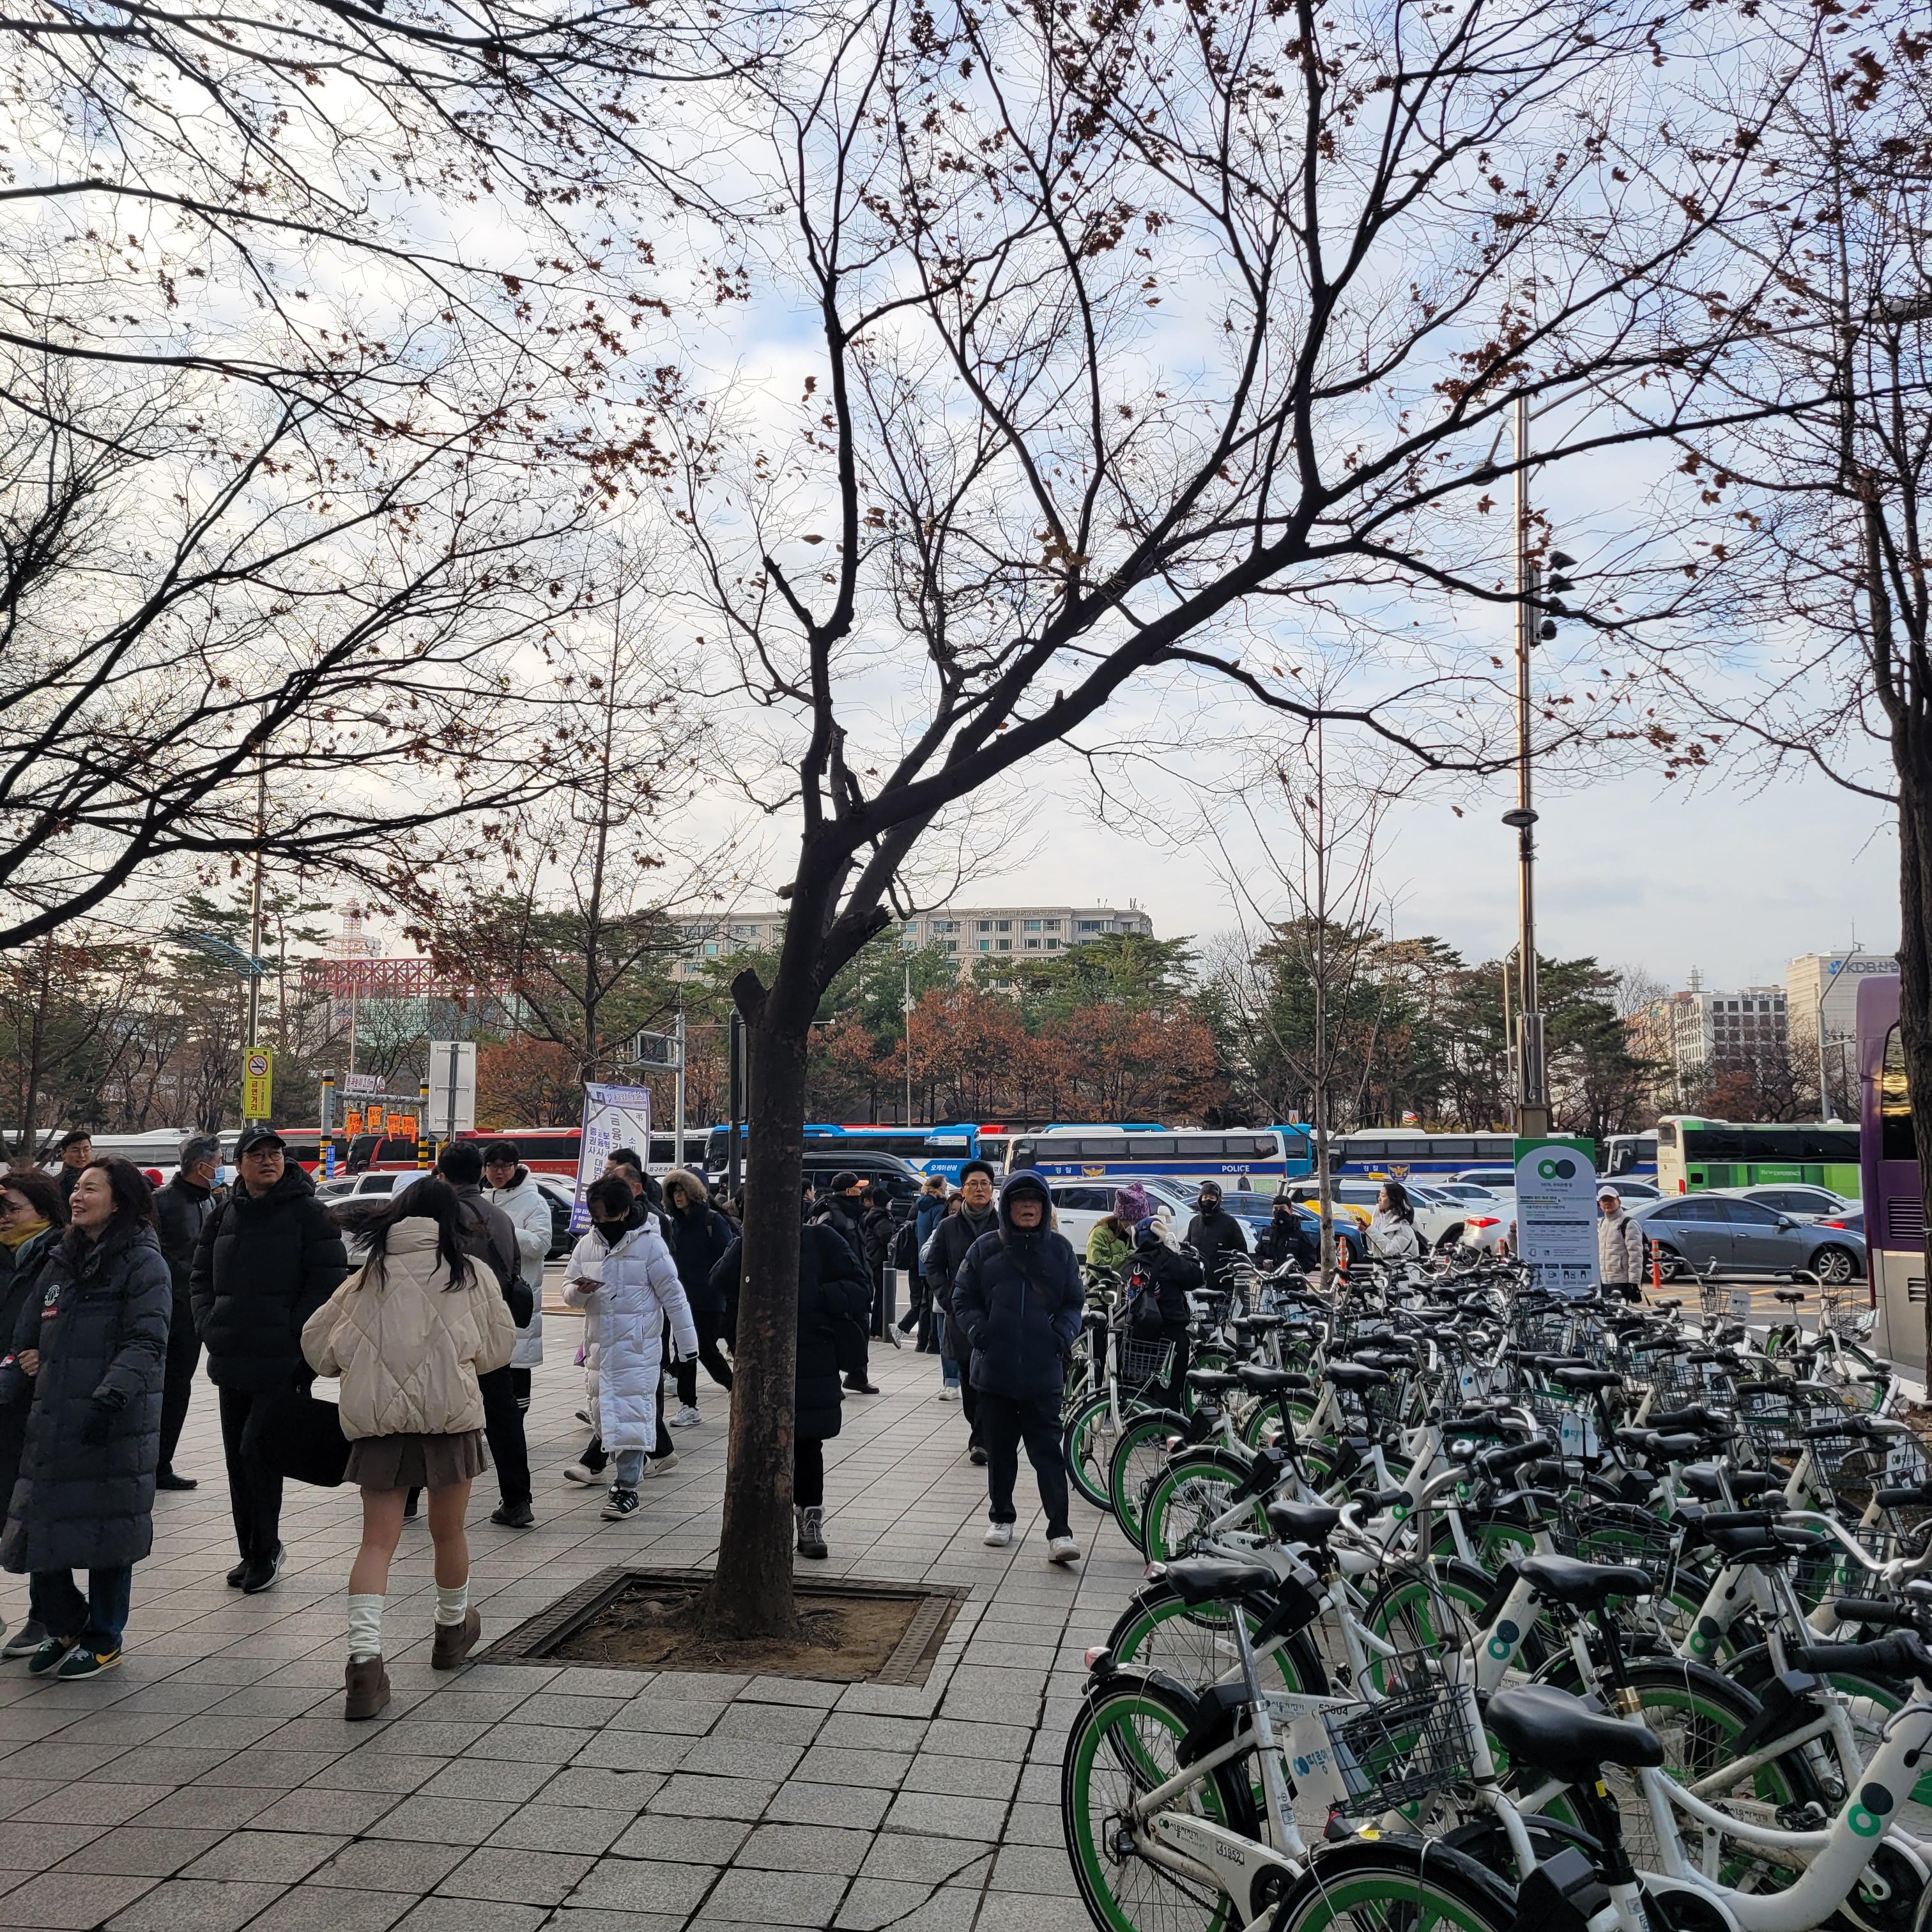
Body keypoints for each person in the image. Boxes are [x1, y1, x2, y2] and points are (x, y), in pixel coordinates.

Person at [302, 1178, 516, 1719]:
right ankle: (451, 1630)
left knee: (376, 1544)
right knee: (450, 1530)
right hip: (449, 1419)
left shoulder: (365, 1277)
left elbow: (317, 1349)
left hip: (379, 1425)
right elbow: (497, 1351)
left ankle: (364, 1664)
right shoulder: (471, 1274)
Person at [0, 1158, 170, 1678]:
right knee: (39, 1525)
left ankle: (103, 1637)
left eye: (91, 1189)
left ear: (119, 1201)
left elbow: (146, 1340)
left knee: (107, 1533)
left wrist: (110, 1398)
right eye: (76, 1188)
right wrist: (18, 1373)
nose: (77, 1196)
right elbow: (26, 1335)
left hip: (112, 1419)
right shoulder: (61, 1258)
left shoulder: (142, 1262)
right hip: (52, 1416)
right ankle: (67, 1623)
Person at [189, 1125, 349, 1593]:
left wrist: (295, 1337)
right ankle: (251, 1551)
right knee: (237, 1460)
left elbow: (328, 1284)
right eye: (256, 1154)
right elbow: (200, 1277)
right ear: (238, 1164)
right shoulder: (223, 1213)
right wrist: (209, 1325)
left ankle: (266, 1550)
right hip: (232, 1356)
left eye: (274, 1153)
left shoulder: (310, 1214)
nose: (267, 1161)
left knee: (258, 1451)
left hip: (283, 1360)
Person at [709, 1216, 870, 1560]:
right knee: (758, 1443)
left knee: (807, 1442)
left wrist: (813, 1294)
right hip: (759, 1356)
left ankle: (810, 1519)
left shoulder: (822, 1239)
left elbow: (861, 1287)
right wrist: (747, 1240)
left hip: (813, 1354)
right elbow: (720, 1280)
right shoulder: (749, 1242)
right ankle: (761, 1524)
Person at [949, 1170, 1085, 1565]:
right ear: (1007, 1206)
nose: (1028, 1206)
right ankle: (1001, 1517)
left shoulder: (1060, 1250)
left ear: (1044, 1207)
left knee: (1049, 1455)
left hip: (1043, 1373)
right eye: (1020, 1200)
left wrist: (1060, 1336)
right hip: (995, 1371)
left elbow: (1074, 1302)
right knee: (1000, 1452)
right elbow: (962, 1297)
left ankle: (1060, 1531)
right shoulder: (984, 1248)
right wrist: (981, 1333)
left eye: (1035, 1200)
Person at [562, 1176, 697, 1519]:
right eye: (595, 1216)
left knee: (632, 1419)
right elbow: (568, 1290)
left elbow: (674, 1297)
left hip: (638, 1348)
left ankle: (626, 1489)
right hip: (600, 1349)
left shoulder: (650, 1244)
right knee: (604, 1416)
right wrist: (579, 1291)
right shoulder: (587, 1244)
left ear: (623, 1212)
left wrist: (688, 1346)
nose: (600, 1222)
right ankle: (611, 1475)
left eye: (605, 1215)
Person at [418, 1144, 533, 1529]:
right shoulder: (500, 1216)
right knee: (503, 1416)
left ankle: (409, 1496)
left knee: (428, 1410)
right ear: (481, 1172)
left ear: (442, 1175)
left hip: (448, 1329)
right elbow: (515, 1266)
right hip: (491, 1327)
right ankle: (517, 1500)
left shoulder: (442, 1215)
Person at [0, 1170, 65, 1660]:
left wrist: (45, 1358)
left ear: (43, 1210)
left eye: (11, 1209)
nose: (3, 1218)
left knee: (36, 1511)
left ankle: (48, 1614)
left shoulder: (60, 1256)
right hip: (4, 1395)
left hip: (38, 1400)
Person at [151, 1135, 222, 1492]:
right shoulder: (161, 1203)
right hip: (167, 1307)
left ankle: (162, 1462)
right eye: (219, 1162)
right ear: (201, 1166)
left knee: (179, 1387)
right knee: (159, 1387)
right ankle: (148, 1461)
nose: (222, 1168)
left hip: (195, 1310)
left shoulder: (211, 1200)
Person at [924, 1161, 998, 1441]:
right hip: (962, 1313)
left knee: (993, 1376)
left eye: (984, 1184)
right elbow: (933, 1264)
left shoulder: (1003, 1224)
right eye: (973, 1184)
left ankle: (982, 1439)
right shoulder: (948, 1227)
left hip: (997, 1312)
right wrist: (948, 1297)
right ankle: (978, 1431)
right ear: (963, 1190)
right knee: (968, 1374)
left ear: (992, 1190)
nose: (979, 1189)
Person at [661, 1167, 735, 1428]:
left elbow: (728, 1257)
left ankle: (734, 1386)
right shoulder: (674, 1224)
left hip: (710, 1298)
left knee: (704, 1348)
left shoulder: (712, 1221)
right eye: (674, 1192)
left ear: (693, 1192)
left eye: (682, 1191)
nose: (678, 1196)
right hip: (682, 1299)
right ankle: (689, 1405)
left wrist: (717, 1287)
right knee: (685, 1352)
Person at [481, 1142, 549, 1412]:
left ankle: (516, 1422)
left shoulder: (533, 1200)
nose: (499, 1172)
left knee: (517, 1367)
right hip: (486, 1297)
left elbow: (541, 1244)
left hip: (517, 1297)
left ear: (516, 1167)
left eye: (505, 1166)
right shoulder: (483, 1197)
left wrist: (503, 1229)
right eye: (493, 1166)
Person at [1123, 1215, 1203, 1403]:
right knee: (1170, 1393)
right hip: (1171, 1334)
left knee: (1141, 1391)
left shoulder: (1131, 1263)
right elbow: (1196, 1277)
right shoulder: (1168, 1259)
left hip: (1139, 1336)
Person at [813, 1173, 877, 1393]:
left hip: (857, 1281)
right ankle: (833, 1381)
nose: (861, 1192)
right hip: (837, 1284)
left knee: (861, 1329)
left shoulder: (854, 1214)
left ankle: (858, 1376)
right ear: (849, 1191)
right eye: (858, 1188)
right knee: (837, 1332)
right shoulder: (829, 1214)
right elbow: (820, 1249)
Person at [1185, 1181, 1249, 1295]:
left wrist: (1230, 1268)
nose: (1207, 1201)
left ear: (1218, 1200)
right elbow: (1187, 1247)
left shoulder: (1229, 1222)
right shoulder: (1194, 1222)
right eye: (1205, 1197)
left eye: (1212, 1198)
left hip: (1222, 1281)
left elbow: (1241, 1251)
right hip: (1197, 1281)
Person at [1598, 1186, 1646, 1303]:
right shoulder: (1602, 1223)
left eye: (1611, 1200)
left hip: (1622, 1281)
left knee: (1620, 1313)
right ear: (1600, 1204)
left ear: (1618, 1201)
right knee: (1607, 1313)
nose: (1607, 1203)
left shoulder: (1628, 1223)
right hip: (1605, 1281)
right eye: (1604, 1201)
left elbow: (1636, 1255)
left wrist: (1633, 1282)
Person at [1085, 1184, 1147, 1275]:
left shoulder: (1139, 1235)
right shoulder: (1100, 1234)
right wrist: (1134, 1255)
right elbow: (1098, 1268)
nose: (1138, 1225)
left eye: (1142, 1221)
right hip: (1103, 1283)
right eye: (1135, 1221)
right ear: (1123, 1218)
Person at [1254, 1194, 1321, 1274]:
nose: (1279, 1211)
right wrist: (1263, 1262)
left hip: (1291, 1279)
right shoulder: (1266, 1233)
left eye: (1282, 1208)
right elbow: (1257, 1255)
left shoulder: (1299, 1235)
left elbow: (1310, 1259)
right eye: (1276, 1209)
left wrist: (1296, 1268)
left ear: (1290, 1210)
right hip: (1269, 1277)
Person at [1365, 1181, 1422, 1259]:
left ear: (1394, 1199)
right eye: (1379, 1195)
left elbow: (1392, 1252)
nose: (1379, 1199)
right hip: (1382, 1266)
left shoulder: (1404, 1225)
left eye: (1383, 1196)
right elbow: (1372, 1248)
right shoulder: (1378, 1217)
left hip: (1401, 1267)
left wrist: (1371, 1231)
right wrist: (1366, 1231)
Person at [52, 1131, 92, 1208]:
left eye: (86, 1150)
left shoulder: (99, 1180)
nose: (82, 1155)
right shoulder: (55, 1185)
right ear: (63, 1153)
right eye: (75, 1151)